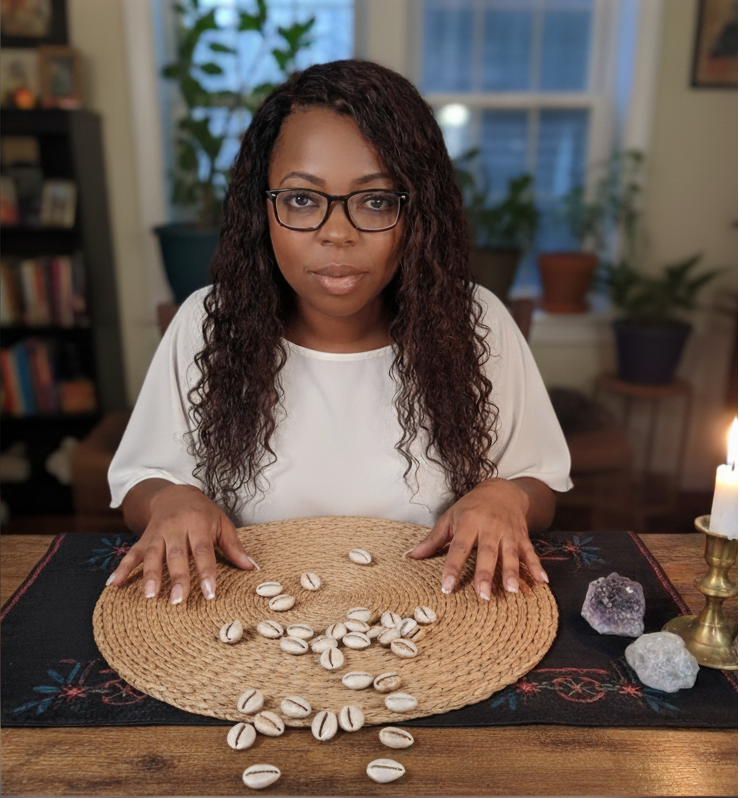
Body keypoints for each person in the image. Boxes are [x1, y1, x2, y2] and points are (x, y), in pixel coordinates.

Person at [106, 60, 572, 607]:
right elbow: (141, 477)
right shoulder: (207, 322)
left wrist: (505, 495)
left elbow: (539, 481)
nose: (336, 233)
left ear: (417, 214)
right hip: (246, 616)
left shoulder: (477, 322)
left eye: (375, 201)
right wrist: (170, 500)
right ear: (262, 210)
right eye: (303, 199)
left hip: (436, 615)